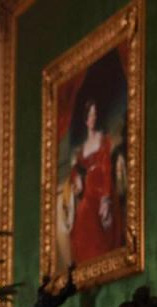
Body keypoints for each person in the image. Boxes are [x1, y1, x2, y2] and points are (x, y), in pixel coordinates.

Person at [67, 99, 123, 263]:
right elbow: (75, 168)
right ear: (85, 119)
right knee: (81, 220)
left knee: (96, 219)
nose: (93, 118)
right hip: (89, 190)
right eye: (90, 115)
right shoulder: (83, 148)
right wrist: (76, 177)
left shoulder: (103, 139)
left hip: (102, 188)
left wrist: (105, 198)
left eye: (95, 114)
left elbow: (106, 167)